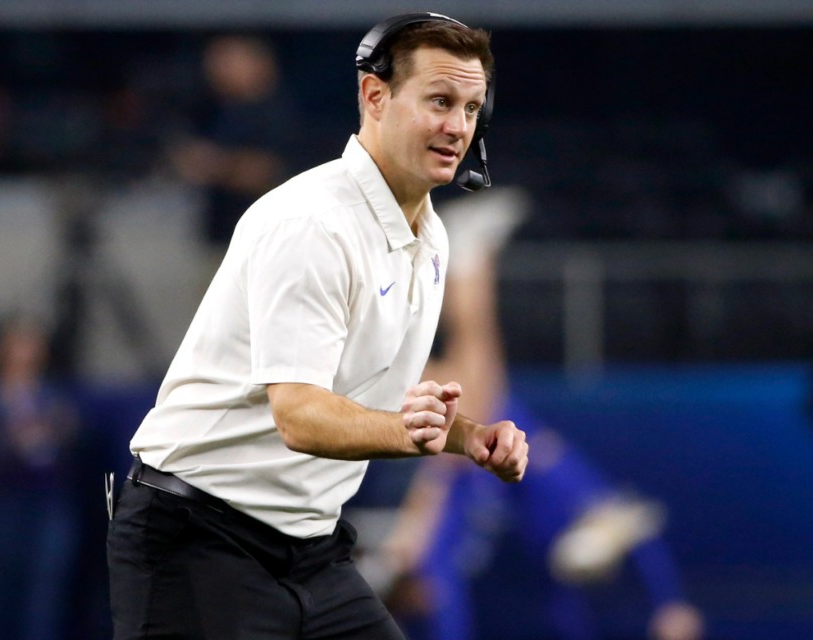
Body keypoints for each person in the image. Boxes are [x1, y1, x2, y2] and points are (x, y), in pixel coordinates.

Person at [107, 13, 529, 640]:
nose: (457, 127)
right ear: (374, 96)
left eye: (471, 108)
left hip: (309, 546)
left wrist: (467, 437)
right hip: (197, 540)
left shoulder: (431, 235)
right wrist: (412, 436)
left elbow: (374, 408)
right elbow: (301, 416)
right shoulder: (313, 223)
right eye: (439, 101)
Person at [363, 188, 704, 640]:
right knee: (475, 358)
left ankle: (458, 257)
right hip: (475, 457)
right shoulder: (433, 572)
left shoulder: (424, 566)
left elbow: (427, 523)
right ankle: (462, 256)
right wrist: (669, 605)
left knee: (472, 359)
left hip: (454, 461)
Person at [0, 313, 87, 640]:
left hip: (49, 505)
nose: (26, 352)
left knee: (44, 592)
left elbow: (73, 439)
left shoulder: (55, 397)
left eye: (32, 343)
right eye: (18, 344)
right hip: (1, 504)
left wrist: (52, 431)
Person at [167, 34, 299, 250]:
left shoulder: (278, 113)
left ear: (260, 63)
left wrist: (214, 164)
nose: (216, 67)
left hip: (272, 243)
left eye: (228, 59)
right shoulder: (213, 110)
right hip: (221, 238)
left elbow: (271, 172)